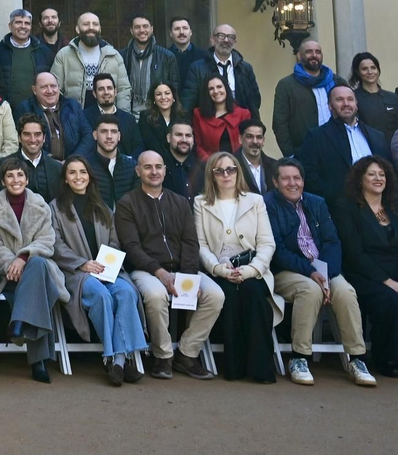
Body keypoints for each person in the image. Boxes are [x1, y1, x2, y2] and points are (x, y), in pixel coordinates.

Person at [264, 159, 376, 387]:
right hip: (287, 270)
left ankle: (356, 359)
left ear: (303, 181)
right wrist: (311, 272)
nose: (292, 183)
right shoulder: (267, 204)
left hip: (322, 270)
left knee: (345, 291)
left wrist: (327, 273)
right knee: (310, 290)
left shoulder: (317, 203)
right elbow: (276, 249)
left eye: (297, 178)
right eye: (285, 178)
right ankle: (299, 357)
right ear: (275, 182)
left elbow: (332, 241)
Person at [113, 149, 220, 379]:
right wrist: (160, 273)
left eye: (158, 167)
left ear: (164, 170)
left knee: (216, 296)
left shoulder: (180, 202)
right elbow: (131, 248)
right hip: (146, 270)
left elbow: (191, 242)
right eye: (148, 167)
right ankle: (162, 356)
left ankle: (187, 354)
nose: (154, 172)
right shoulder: (127, 203)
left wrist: (188, 278)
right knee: (155, 295)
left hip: (182, 269)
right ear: (138, 171)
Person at [334, 155, 398, 378]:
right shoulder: (346, 207)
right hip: (366, 275)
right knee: (390, 302)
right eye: (371, 174)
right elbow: (354, 253)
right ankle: (386, 358)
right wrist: (387, 281)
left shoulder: (396, 207)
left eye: (382, 174)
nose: (378, 178)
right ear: (359, 179)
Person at [50, 154, 147, 385]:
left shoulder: (102, 206)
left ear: (89, 177)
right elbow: (55, 243)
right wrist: (82, 263)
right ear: (65, 179)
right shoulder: (55, 208)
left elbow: (115, 241)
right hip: (76, 273)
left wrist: (107, 264)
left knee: (127, 292)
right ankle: (114, 357)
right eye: (72, 172)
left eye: (82, 172)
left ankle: (118, 361)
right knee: (101, 295)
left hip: (107, 270)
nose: (78, 177)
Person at [192, 152, 280, 383]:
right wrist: (219, 269)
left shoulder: (255, 201)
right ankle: (234, 368)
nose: (226, 175)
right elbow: (200, 245)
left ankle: (261, 369)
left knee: (253, 295)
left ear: (238, 171)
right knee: (228, 296)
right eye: (219, 170)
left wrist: (252, 270)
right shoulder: (200, 203)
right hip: (219, 269)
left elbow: (267, 243)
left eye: (231, 169)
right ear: (211, 175)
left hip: (252, 267)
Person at [0, 154, 67, 383]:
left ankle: (20, 322)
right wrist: (13, 264)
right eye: (10, 176)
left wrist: (23, 257)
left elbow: (47, 241)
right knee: (39, 280)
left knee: (39, 263)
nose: (15, 180)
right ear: (3, 181)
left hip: (34, 268)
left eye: (20, 175)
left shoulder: (41, 206)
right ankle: (37, 362)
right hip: (7, 273)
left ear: (27, 179)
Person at [296, 85, 390, 216]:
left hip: (377, 209)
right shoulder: (316, 137)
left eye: (350, 99)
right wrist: (337, 199)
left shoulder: (377, 136)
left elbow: (388, 171)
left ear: (356, 104)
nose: (346, 104)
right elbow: (310, 175)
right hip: (339, 212)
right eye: (339, 99)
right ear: (330, 105)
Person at [51, 13, 129, 111]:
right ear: (77, 29)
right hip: (74, 114)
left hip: (107, 115)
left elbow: (123, 89)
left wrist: (121, 116)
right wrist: (63, 114)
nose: (91, 27)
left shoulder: (114, 55)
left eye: (95, 24)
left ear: (100, 29)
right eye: (86, 24)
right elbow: (55, 88)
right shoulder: (64, 55)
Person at [271, 39, 335, 157]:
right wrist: (290, 154)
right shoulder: (287, 85)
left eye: (318, 52)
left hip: (335, 148)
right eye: (309, 52)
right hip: (304, 152)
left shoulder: (336, 81)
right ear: (299, 56)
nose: (314, 55)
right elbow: (280, 123)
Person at [183, 24, 261, 118]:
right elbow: (188, 101)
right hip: (209, 124)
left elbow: (255, 100)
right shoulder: (197, 68)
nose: (226, 40)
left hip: (240, 125)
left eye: (230, 37)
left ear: (235, 42)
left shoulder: (245, 68)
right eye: (221, 36)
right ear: (212, 39)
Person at [14, 72, 91, 163]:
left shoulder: (73, 106)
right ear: (34, 90)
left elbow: (88, 136)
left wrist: (72, 161)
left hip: (73, 165)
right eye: (44, 87)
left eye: (53, 86)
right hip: (40, 165)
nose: (50, 91)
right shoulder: (24, 108)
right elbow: (22, 142)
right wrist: (51, 162)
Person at [0, 9, 56, 106]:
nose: (23, 26)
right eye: (18, 22)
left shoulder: (44, 52)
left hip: (37, 110)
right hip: (5, 110)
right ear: (10, 26)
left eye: (27, 23)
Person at [120, 16, 180, 117]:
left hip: (157, 112)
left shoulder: (166, 56)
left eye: (145, 26)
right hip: (130, 112)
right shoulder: (122, 56)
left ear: (151, 29)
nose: (142, 30)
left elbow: (174, 87)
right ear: (131, 31)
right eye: (137, 27)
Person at [2, 114, 66, 201]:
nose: (32, 139)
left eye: (37, 134)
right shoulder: (4, 164)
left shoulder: (56, 167)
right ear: (19, 138)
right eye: (27, 134)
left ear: (44, 138)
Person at [191, 75, 251, 160]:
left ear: (226, 88)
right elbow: (197, 145)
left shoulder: (244, 114)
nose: (216, 91)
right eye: (211, 89)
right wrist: (213, 164)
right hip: (210, 166)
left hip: (239, 166)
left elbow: (248, 143)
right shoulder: (198, 115)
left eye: (219, 87)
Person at [349, 52, 398, 140]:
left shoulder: (392, 97)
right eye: (364, 69)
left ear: (378, 70)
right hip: (366, 149)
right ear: (358, 72)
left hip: (392, 149)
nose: (370, 72)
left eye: (373, 68)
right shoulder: (353, 98)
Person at [83, 74, 142, 155]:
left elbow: (138, 146)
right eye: (101, 89)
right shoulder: (84, 117)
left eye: (109, 88)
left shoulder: (129, 119)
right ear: (94, 93)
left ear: (115, 92)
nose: (106, 92)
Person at [89, 115, 138, 209]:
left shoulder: (132, 166)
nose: (109, 136)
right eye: (104, 131)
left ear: (119, 136)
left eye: (114, 132)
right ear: (95, 135)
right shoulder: (85, 166)